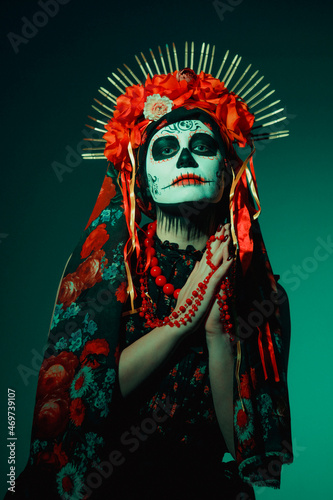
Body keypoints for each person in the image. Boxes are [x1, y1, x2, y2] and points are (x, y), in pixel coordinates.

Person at [8, 44, 293, 500]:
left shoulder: (261, 293)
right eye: (166, 148)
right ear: (141, 175)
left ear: (229, 173)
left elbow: (243, 447)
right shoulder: (107, 272)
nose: (184, 159)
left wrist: (219, 334)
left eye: (202, 146)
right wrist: (183, 318)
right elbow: (86, 399)